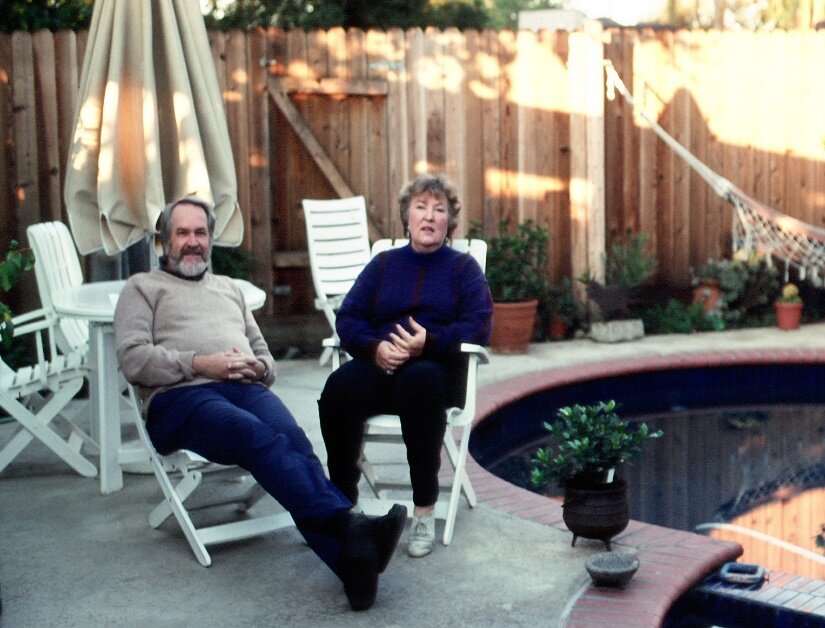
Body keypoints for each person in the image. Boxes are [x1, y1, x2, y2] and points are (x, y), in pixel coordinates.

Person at [114, 196, 406, 611]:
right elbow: (133, 360)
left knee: (293, 439)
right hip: (178, 399)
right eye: (183, 233)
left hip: (242, 388)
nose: (193, 242)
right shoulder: (142, 289)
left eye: (201, 233)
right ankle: (349, 523)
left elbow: (267, 360)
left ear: (211, 240)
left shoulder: (229, 289)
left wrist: (257, 368)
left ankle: (352, 563)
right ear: (164, 242)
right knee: (257, 437)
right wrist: (202, 364)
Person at [318, 173, 493, 558]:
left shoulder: (464, 269)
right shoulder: (383, 264)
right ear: (407, 217)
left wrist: (428, 342)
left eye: (439, 209)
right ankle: (344, 504)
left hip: (436, 371)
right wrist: (375, 348)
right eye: (420, 207)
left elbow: (479, 324)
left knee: (421, 382)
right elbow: (348, 319)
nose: (429, 217)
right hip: (382, 366)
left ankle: (424, 512)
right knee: (338, 389)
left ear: (450, 221)